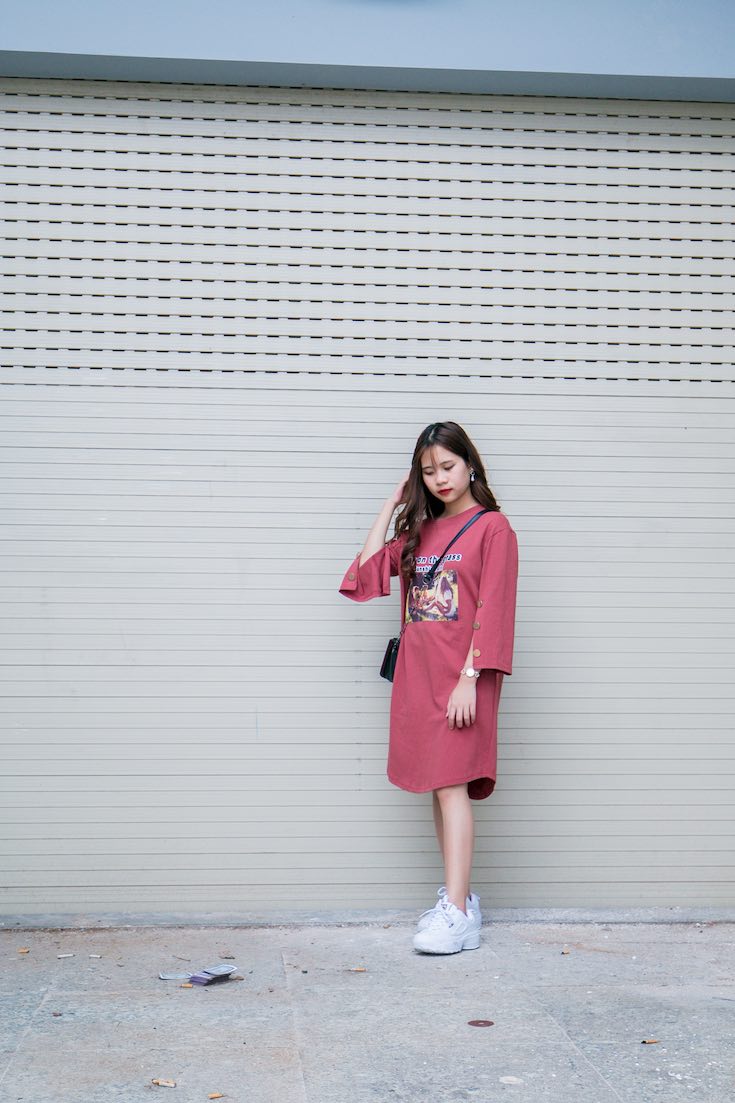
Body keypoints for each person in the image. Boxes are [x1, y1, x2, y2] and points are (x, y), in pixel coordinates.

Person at [338, 421, 519, 955]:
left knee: (452, 787)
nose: (440, 478)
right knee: (438, 792)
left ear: (470, 465)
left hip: (463, 678)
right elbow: (365, 575)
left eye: (448, 466)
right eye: (427, 471)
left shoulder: (493, 529)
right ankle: (458, 901)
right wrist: (394, 501)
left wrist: (470, 678)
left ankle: (459, 914)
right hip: (419, 680)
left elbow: (495, 608)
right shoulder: (420, 533)